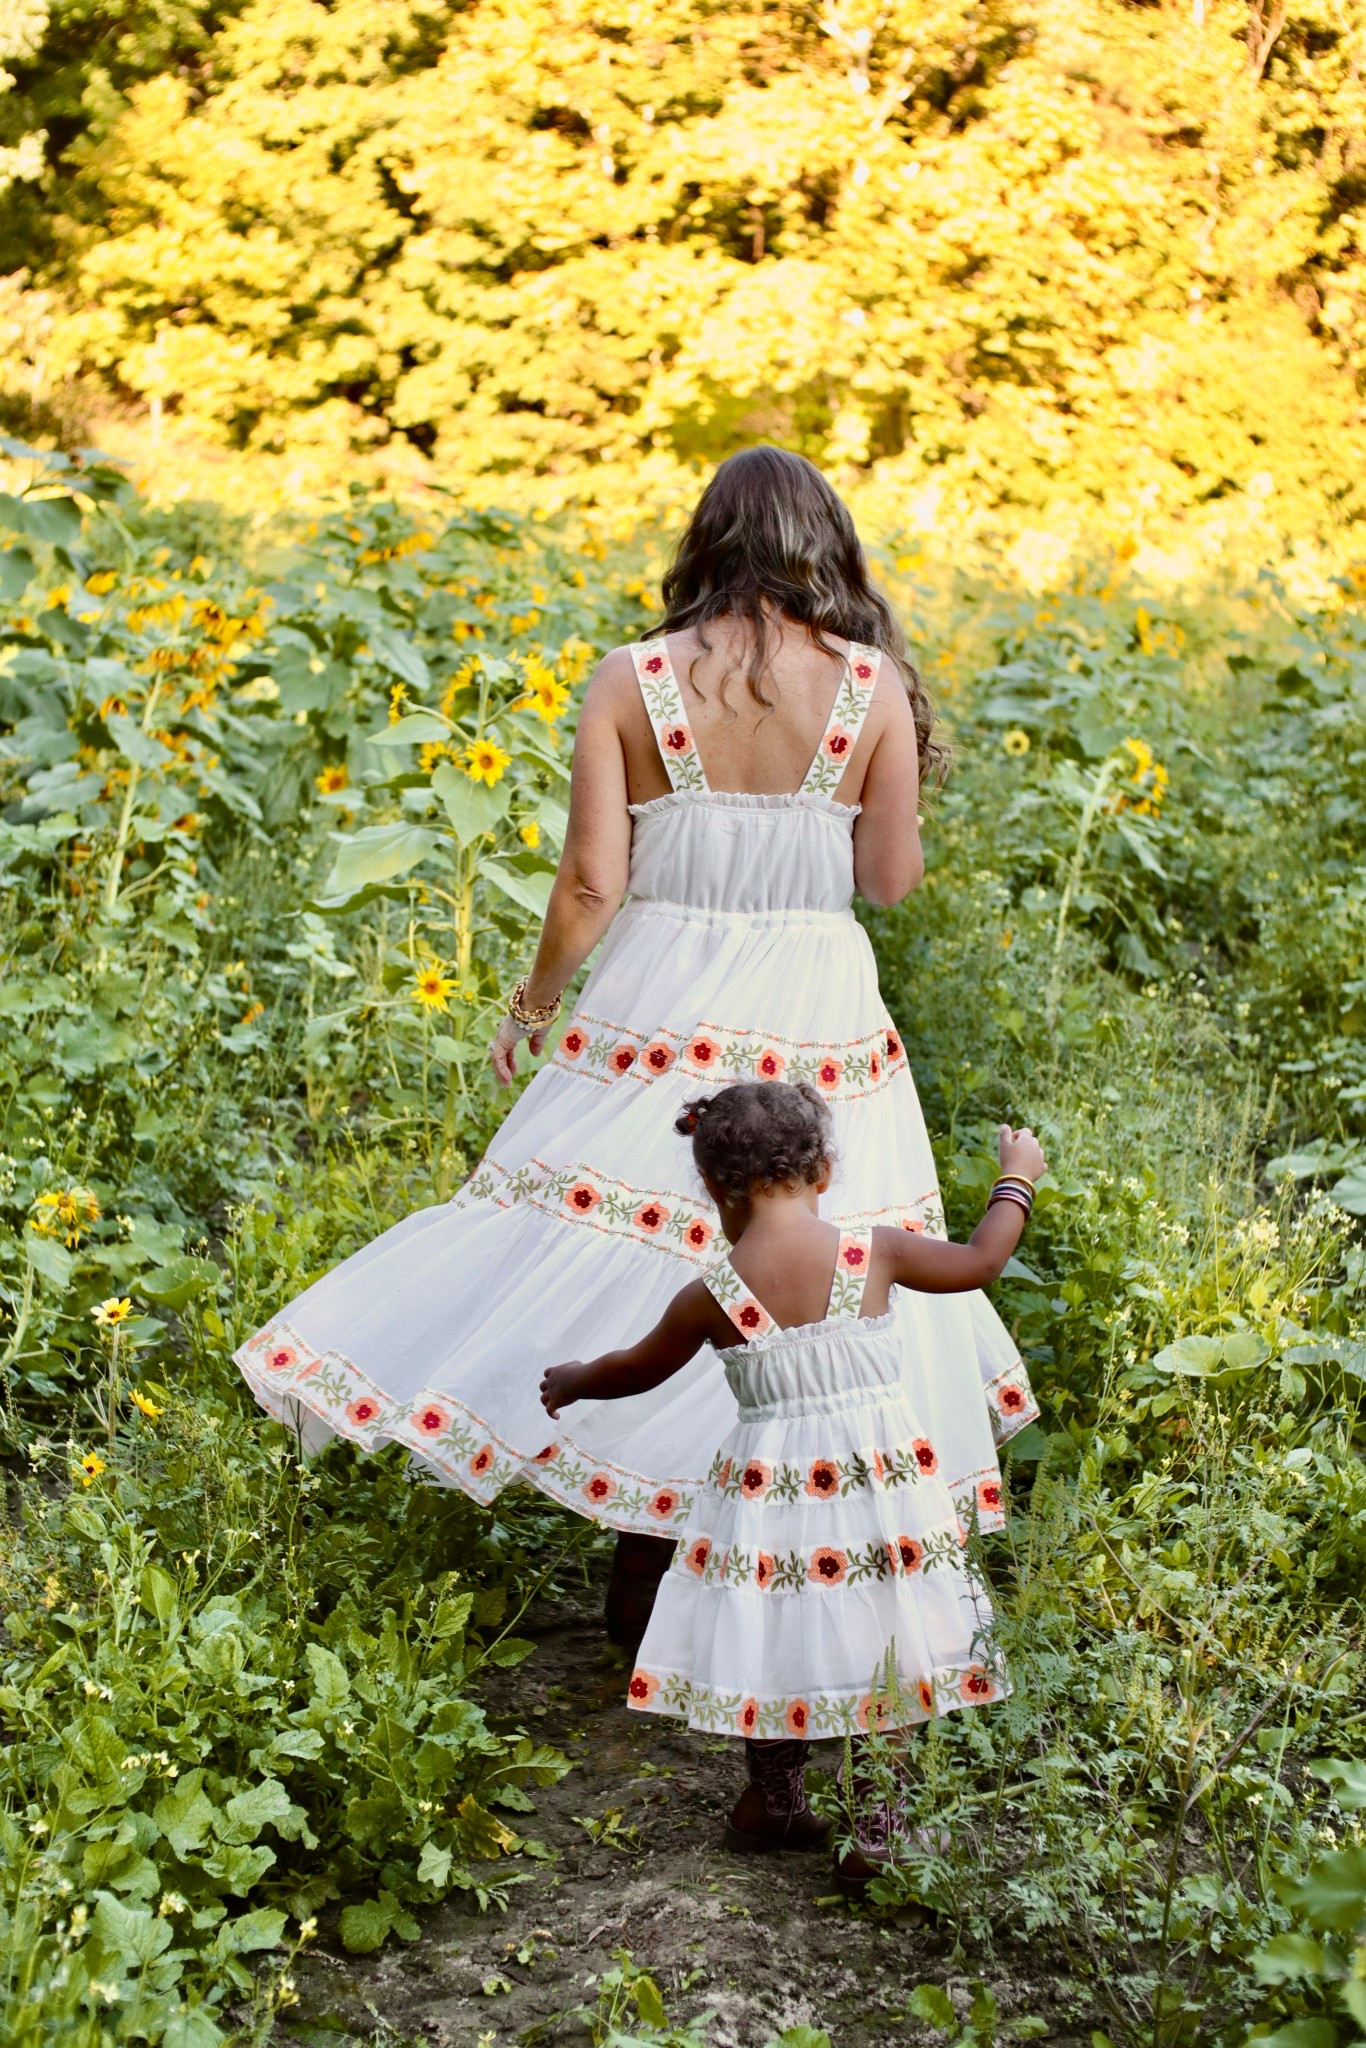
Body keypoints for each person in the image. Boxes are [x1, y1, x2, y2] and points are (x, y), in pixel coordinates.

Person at [234, 445, 1039, 1644]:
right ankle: (784, 1553)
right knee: (814, 1257)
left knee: (614, 1238)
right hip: (814, 992)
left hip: (656, 993)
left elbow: (589, 881)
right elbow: (889, 881)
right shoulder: (870, 683)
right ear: (826, 549)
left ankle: (643, 1549)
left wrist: (529, 1005)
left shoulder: (632, 677)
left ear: (703, 544)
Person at [540, 1083, 1047, 1888]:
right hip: (877, 1493)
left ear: (715, 1188)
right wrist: (1016, 1176)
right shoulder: (873, 1252)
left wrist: (574, 1379)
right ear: (825, 1168)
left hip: (769, 1497)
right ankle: (878, 1825)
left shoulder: (713, 1293)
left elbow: (634, 1370)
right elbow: (984, 1262)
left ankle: (773, 1799)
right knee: (888, 1634)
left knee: (775, 1634)